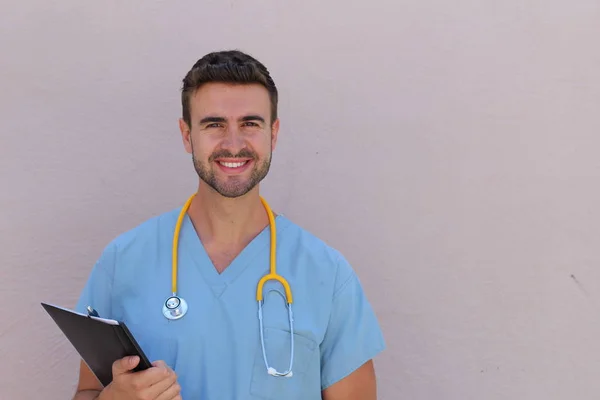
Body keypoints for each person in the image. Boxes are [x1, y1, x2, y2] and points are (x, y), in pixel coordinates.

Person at [72, 49, 386, 400]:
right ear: (186, 134)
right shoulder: (123, 262)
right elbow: (87, 392)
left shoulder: (327, 275)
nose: (233, 144)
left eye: (250, 124)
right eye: (214, 124)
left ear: (274, 133)